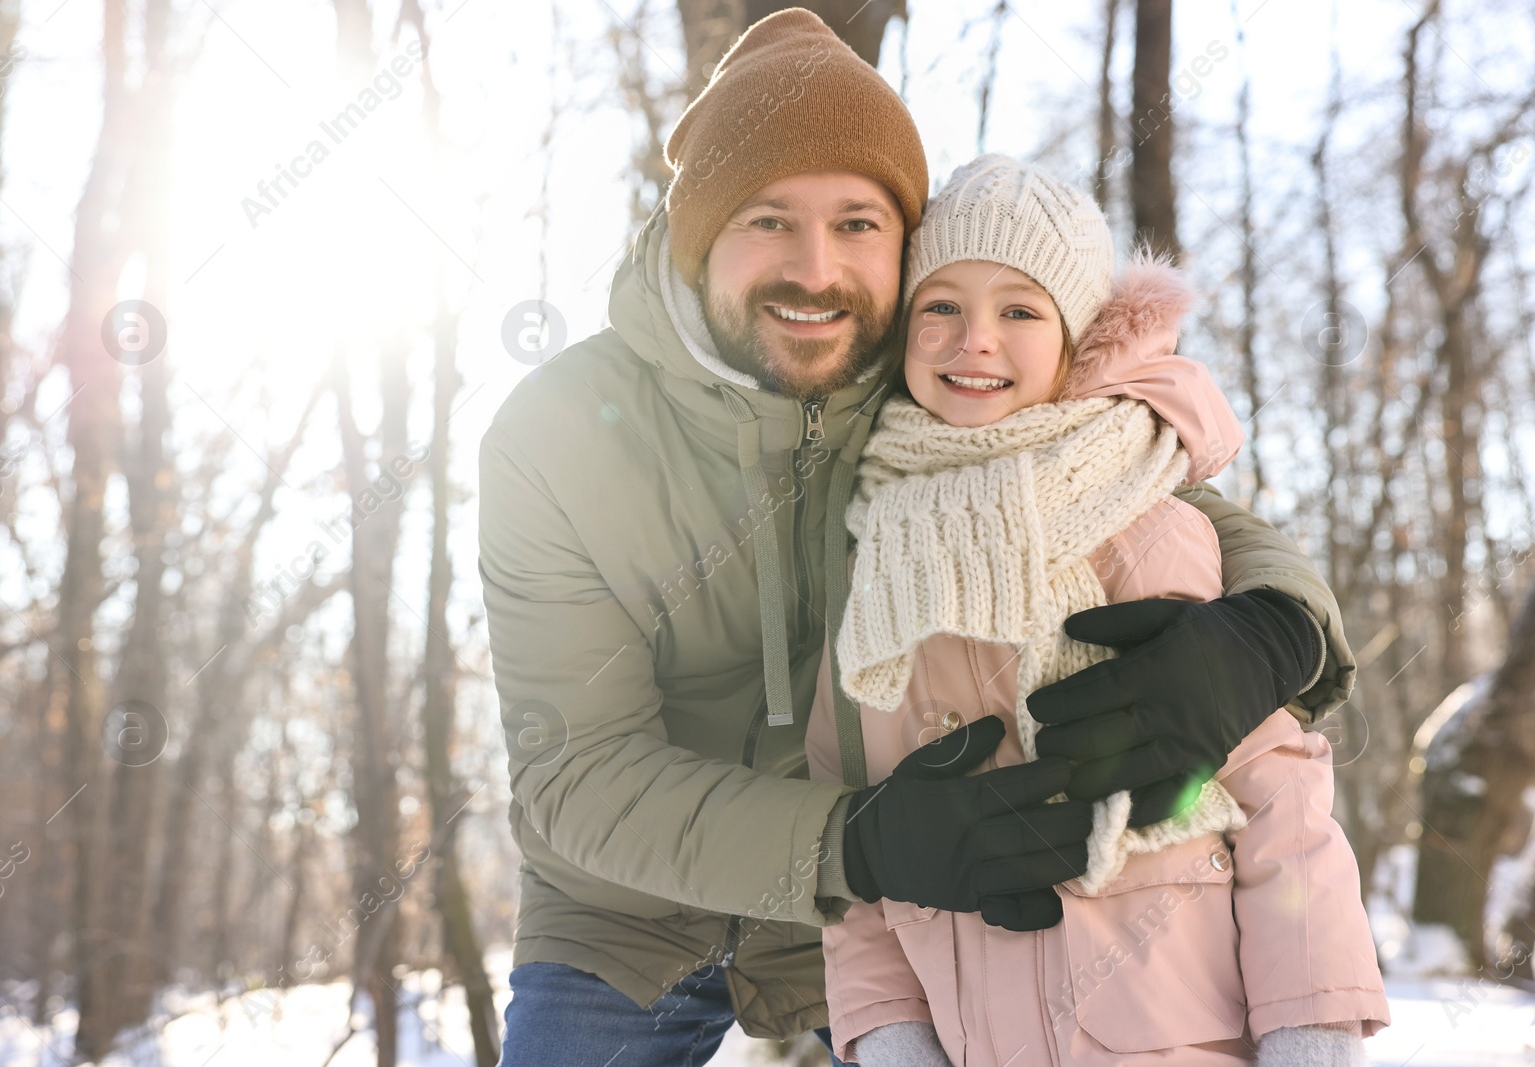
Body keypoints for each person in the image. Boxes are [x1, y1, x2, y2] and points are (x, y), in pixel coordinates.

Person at [480, 9, 1355, 1065]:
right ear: (696, 232)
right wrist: (855, 840)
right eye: (766, 218)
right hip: (637, 910)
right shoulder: (557, 432)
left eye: (857, 222)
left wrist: (1274, 631)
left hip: (901, 910)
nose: (815, 268)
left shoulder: (933, 379)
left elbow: (1147, 489)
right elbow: (575, 769)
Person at [807, 154, 1389, 1067]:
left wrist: (1308, 1034)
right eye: (942, 306)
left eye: (1020, 310)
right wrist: (889, 1040)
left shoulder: (1145, 528)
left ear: (1080, 341)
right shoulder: (870, 563)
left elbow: (1280, 801)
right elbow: (852, 844)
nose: (975, 340)